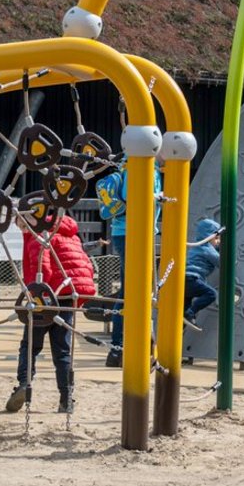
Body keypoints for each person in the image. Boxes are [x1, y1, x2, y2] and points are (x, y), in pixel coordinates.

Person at [5, 210, 96, 415]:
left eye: (19, 221)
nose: (19, 226)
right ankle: (66, 398)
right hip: (65, 297)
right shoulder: (67, 230)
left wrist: (33, 293)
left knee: (30, 345)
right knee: (62, 351)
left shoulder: (39, 234)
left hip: (44, 297)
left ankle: (24, 383)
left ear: (29, 217)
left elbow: (42, 268)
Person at [95, 157, 163, 367]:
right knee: (132, 291)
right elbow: (131, 196)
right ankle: (119, 347)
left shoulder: (142, 167)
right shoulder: (139, 167)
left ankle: (130, 346)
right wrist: (158, 196)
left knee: (136, 291)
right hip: (132, 232)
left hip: (132, 232)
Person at [184, 218, 224, 328]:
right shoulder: (207, 248)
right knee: (211, 294)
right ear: (209, 236)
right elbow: (222, 263)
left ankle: (185, 319)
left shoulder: (196, 247)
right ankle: (191, 313)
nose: (218, 242)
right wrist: (222, 251)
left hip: (184, 280)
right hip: (191, 279)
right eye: (216, 239)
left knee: (184, 312)